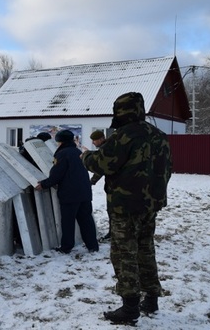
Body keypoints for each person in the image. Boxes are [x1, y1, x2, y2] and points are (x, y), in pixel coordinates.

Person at [81, 92, 172, 325]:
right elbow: (166, 168)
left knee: (124, 254)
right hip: (150, 205)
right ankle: (151, 299)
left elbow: (104, 164)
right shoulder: (159, 136)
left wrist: (86, 156)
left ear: (120, 112)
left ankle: (130, 306)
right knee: (146, 249)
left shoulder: (123, 136)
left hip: (125, 207)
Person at [35, 129, 99, 254]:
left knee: (68, 221)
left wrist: (44, 184)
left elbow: (57, 174)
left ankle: (66, 247)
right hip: (84, 191)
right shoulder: (77, 152)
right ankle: (93, 246)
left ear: (61, 142)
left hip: (70, 193)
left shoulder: (62, 154)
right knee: (86, 220)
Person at [85, 130, 111, 241]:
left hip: (116, 188)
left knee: (113, 211)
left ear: (101, 139)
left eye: (95, 140)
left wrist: (92, 181)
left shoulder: (106, 149)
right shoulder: (107, 146)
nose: (93, 143)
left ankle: (113, 233)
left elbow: (102, 168)